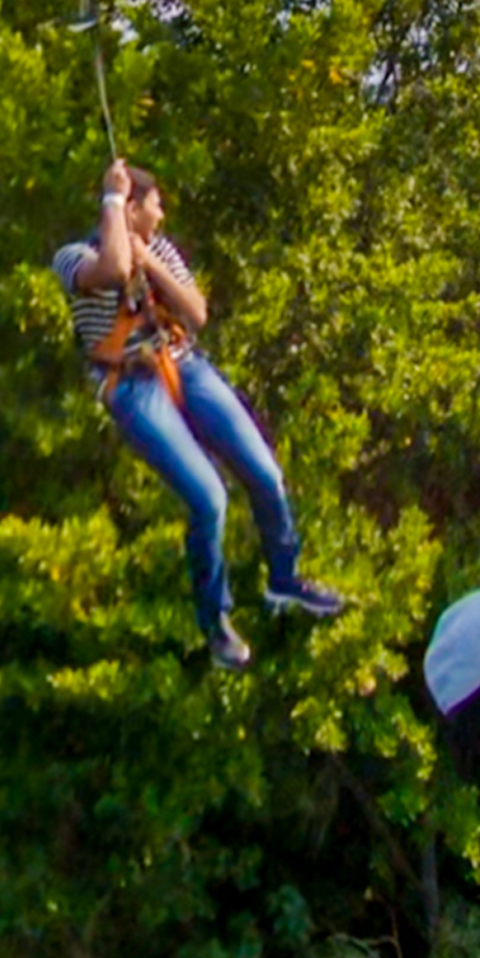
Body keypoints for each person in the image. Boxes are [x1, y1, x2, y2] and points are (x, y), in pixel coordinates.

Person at [55, 161, 344, 670]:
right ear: (130, 209)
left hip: (183, 363)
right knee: (210, 498)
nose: (162, 213)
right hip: (131, 385)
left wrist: (154, 262)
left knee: (266, 475)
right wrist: (113, 202)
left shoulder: (160, 248)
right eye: (154, 204)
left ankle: (285, 578)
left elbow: (197, 312)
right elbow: (115, 271)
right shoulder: (73, 256)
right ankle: (216, 622)